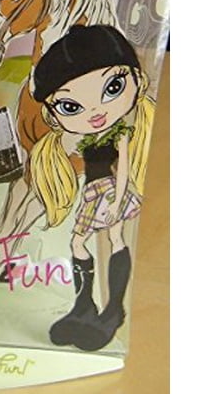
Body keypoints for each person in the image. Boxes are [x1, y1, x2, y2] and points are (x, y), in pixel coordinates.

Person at [27, 24, 155, 351]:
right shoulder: (84, 136)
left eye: (113, 87)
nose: (96, 112)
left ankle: (114, 308)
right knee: (78, 241)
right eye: (70, 106)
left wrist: (119, 200)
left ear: (136, 79)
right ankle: (83, 305)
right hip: (92, 193)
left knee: (115, 237)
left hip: (111, 191)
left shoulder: (120, 133)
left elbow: (122, 168)